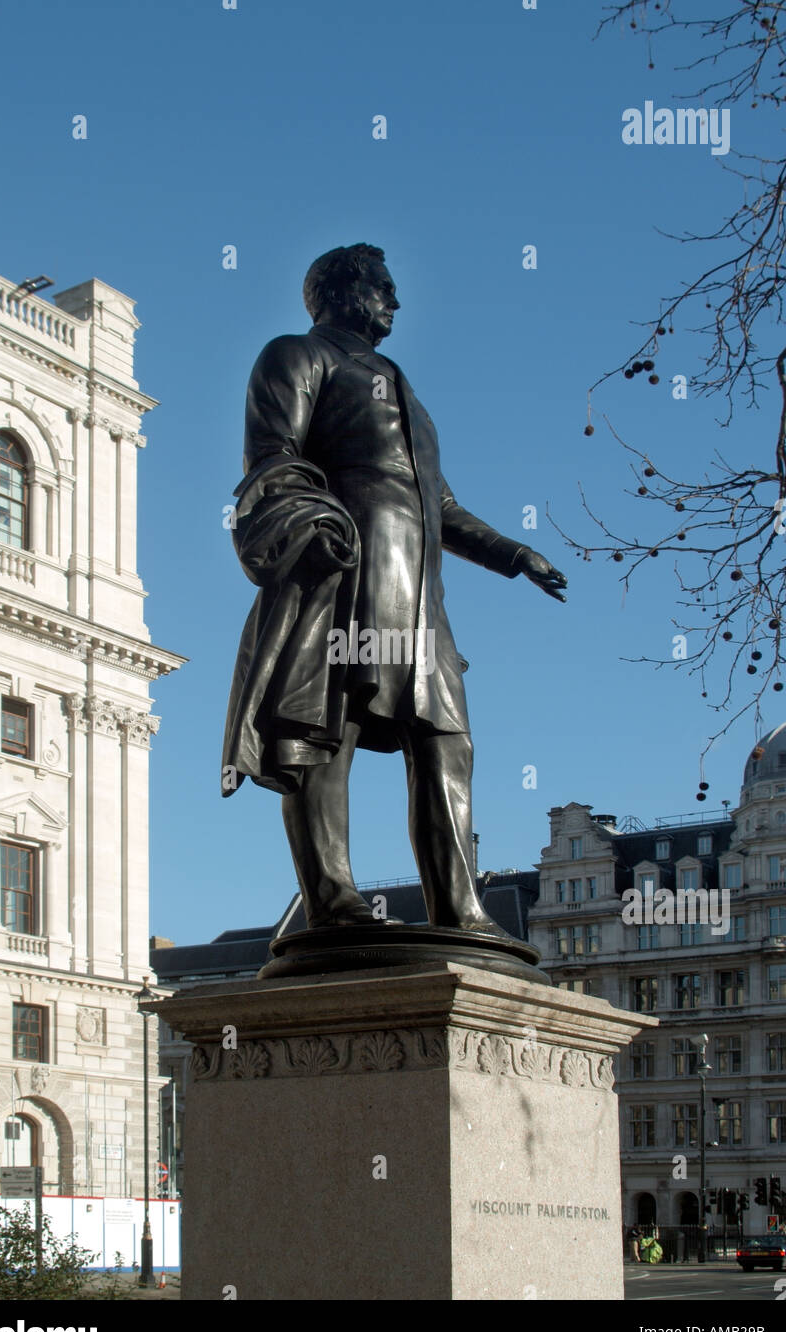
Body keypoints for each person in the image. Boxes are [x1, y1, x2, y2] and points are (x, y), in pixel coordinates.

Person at [222, 243, 567, 932]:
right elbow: (271, 460)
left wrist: (512, 553)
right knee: (325, 731)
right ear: (339, 291)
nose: (394, 301)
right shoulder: (295, 355)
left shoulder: (399, 387)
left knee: (446, 739)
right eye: (381, 287)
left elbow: (438, 505)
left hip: (418, 593)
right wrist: (310, 526)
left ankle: (458, 909)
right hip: (344, 572)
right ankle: (333, 903)